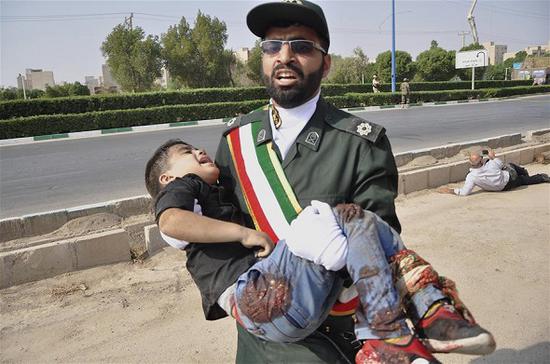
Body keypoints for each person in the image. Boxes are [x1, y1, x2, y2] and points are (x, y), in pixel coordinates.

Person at [161, 1, 495, 362]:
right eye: (272, 46)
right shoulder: (236, 140)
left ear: (326, 62)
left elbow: (380, 250)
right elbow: (211, 227)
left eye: (301, 46)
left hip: (329, 340)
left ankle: (409, 323)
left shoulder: (361, 143)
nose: (284, 56)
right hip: (260, 338)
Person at [145, 139, 450, 363]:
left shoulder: (210, 194)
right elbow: (171, 222)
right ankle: (414, 303)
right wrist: (244, 233)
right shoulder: (183, 188)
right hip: (253, 297)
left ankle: (380, 340)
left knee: (354, 228)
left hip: (286, 312)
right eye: (187, 152)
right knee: (323, 218)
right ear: (167, 179)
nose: (199, 151)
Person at [438, 149, 550, 196]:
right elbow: (502, 165)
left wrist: (449, 190)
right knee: (511, 166)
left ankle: (538, 177)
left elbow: (464, 192)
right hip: (509, 179)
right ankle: (526, 172)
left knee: (521, 181)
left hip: (501, 188)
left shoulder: (472, 176)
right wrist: (492, 157)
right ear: (482, 160)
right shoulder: (492, 163)